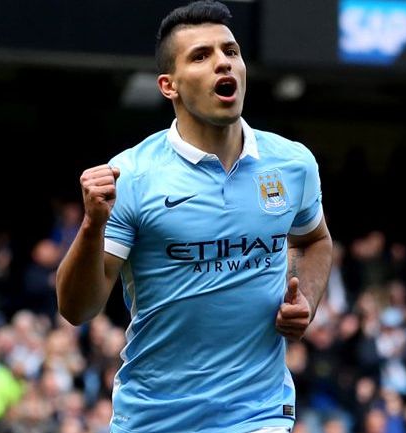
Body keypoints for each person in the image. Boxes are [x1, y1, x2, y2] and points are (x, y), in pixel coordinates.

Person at [56, 1, 333, 432]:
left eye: (231, 51)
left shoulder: (292, 163)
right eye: (201, 56)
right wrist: (92, 226)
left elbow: (313, 240)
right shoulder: (131, 175)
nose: (223, 62)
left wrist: (305, 301)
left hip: (258, 412)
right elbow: (77, 308)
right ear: (169, 85)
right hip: (154, 415)